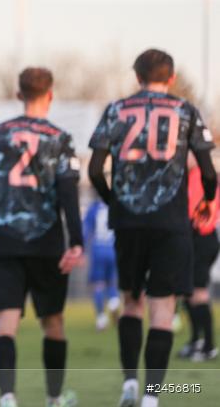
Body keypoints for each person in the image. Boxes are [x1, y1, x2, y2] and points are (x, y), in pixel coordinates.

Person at [88, 48, 216, 407]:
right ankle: (151, 397)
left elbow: (96, 170)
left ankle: (129, 383)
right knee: (162, 311)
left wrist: (113, 201)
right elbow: (208, 170)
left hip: (128, 222)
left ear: (137, 77)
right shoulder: (186, 111)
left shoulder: (116, 110)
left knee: (131, 304)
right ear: (171, 78)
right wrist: (206, 199)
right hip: (171, 223)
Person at [0, 67, 83, 407]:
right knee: (52, 322)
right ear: (50, 94)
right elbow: (69, 194)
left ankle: (8, 397)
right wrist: (76, 241)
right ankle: (54, 398)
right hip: (46, 241)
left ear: (18, 94)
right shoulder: (61, 137)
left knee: (5, 323)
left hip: (4, 238)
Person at [178, 162, 220, 361]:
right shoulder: (196, 174)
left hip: (201, 238)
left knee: (197, 292)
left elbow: (193, 211)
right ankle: (197, 341)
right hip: (199, 238)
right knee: (188, 292)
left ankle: (209, 346)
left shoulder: (198, 175)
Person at [83, 199, 120, 330]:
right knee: (112, 282)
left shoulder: (94, 208)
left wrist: (81, 250)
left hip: (98, 250)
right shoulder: (117, 205)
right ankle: (113, 302)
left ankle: (101, 318)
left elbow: (85, 230)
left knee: (98, 284)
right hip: (114, 249)